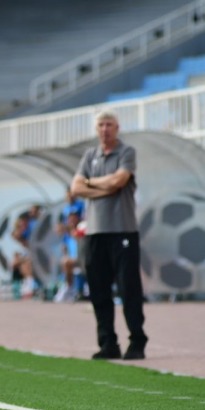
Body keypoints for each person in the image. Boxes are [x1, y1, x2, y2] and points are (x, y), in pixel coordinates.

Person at [70, 110, 147, 360]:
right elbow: (75, 187)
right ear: (96, 129)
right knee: (99, 290)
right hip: (95, 231)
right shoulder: (89, 155)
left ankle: (137, 340)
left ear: (117, 127)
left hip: (123, 230)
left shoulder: (126, 152)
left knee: (128, 289)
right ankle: (107, 342)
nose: (105, 129)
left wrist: (90, 183)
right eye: (101, 125)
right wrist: (103, 185)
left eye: (109, 124)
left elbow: (119, 181)